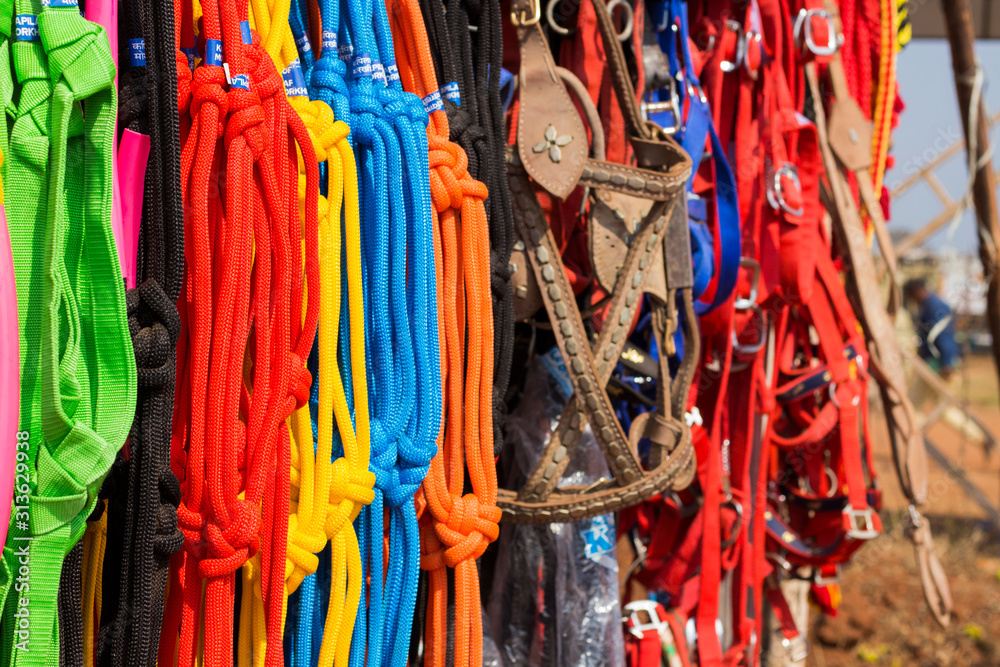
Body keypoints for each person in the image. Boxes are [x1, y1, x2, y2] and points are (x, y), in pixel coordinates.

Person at [903, 278, 960, 380]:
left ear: (917, 292)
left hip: (939, 362)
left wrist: (946, 363)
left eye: (911, 296)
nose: (912, 300)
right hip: (934, 360)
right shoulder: (928, 306)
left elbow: (942, 335)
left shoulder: (934, 308)